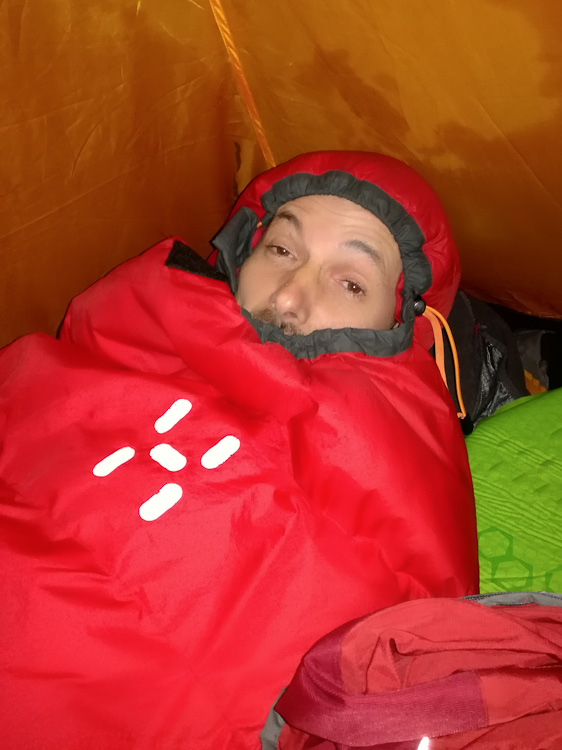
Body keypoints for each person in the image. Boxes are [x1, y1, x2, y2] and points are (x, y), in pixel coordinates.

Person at [0, 151, 478, 749]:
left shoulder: (400, 438)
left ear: (403, 323)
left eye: (351, 282)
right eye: (280, 250)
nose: (289, 297)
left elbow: (415, 639)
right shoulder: (134, 323)